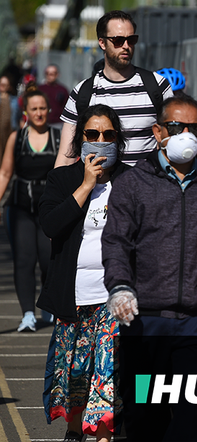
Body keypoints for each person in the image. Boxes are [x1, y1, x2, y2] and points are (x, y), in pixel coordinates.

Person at [102, 93, 197, 441]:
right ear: (158, 131)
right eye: (177, 126)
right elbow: (116, 241)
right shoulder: (132, 185)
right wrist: (120, 286)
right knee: (145, 422)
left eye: (195, 128)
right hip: (146, 324)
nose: (187, 135)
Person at [37, 104, 131, 442]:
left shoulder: (129, 181)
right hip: (73, 295)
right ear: (82, 139)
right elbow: (50, 224)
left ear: (118, 140)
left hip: (114, 296)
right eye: (93, 134)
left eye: (109, 135)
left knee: (106, 369)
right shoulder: (62, 178)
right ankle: (75, 430)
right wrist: (87, 185)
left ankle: (104, 435)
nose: (101, 141)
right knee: (76, 370)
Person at [56, 10, 173, 167]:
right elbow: (66, 156)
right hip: (99, 187)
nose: (126, 46)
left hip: (147, 187)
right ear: (102, 43)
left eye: (131, 40)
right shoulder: (83, 92)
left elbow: (172, 143)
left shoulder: (158, 86)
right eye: (118, 40)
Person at [0, 83, 59, 332]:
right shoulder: (18, 137)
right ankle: (27, 314)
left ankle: (47, 306)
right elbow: (5, 172)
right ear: (26, 111)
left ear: (48, 110)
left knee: (48, 261)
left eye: (43, 108)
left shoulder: (58, 137)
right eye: (34, 109)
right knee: (24, 260)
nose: (39, 113)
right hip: (20, 206)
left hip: (49, 209)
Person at [38, 64, 70, 130]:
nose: (50, 76)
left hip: (58, 123)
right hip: (42, 122)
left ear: (57, 74)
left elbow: (67, 107)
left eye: (53, 73)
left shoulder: (63, 90)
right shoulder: (40, 89)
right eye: (47, 73)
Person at [0, 75, 21, 163]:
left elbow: (18, 116)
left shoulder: (14, 100)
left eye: (5, 85)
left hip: (10, 129)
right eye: (1, 84)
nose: (3, 87)